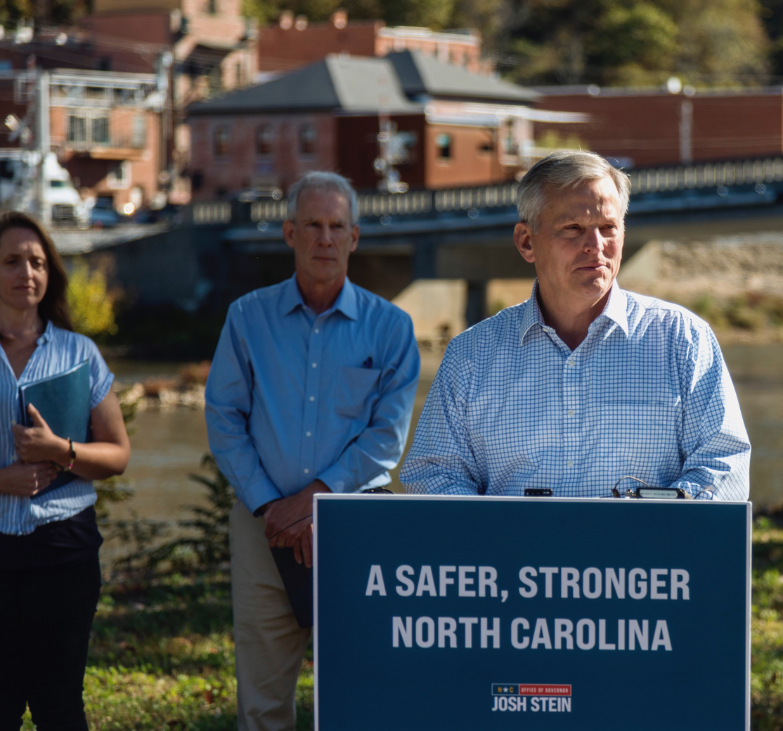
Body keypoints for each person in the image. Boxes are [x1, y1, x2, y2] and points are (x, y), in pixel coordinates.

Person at [400, 150, 750, 500]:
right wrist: (502, 537)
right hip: (514, 553)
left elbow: (723, 466)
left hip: (642, 551)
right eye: (573, 229)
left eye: (608, 228)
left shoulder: (683, 341)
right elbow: (435, 474)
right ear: (526, 241)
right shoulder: (471, 355)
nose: (595, 247)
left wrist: (652, 524)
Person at [205, 172, 419, 730]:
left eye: (337, 227)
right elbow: (224, 418)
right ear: (289, 233)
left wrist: (314, 501)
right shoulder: (247, 319)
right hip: (262, 528)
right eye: (313, 226)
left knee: (359, 696)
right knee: (264, 701)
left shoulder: (392, 328)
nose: (325, 239)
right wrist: (269, 506)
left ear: (354, 239)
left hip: (354, 528)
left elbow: (386, 438)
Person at [0, 212, 131, 730]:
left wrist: (60, 450)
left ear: (50, 273)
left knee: (59, 707)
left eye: (36, 262)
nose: (25, 272)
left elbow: (118, 455)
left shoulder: (81, 354)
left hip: (65, 552)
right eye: (11, 261)